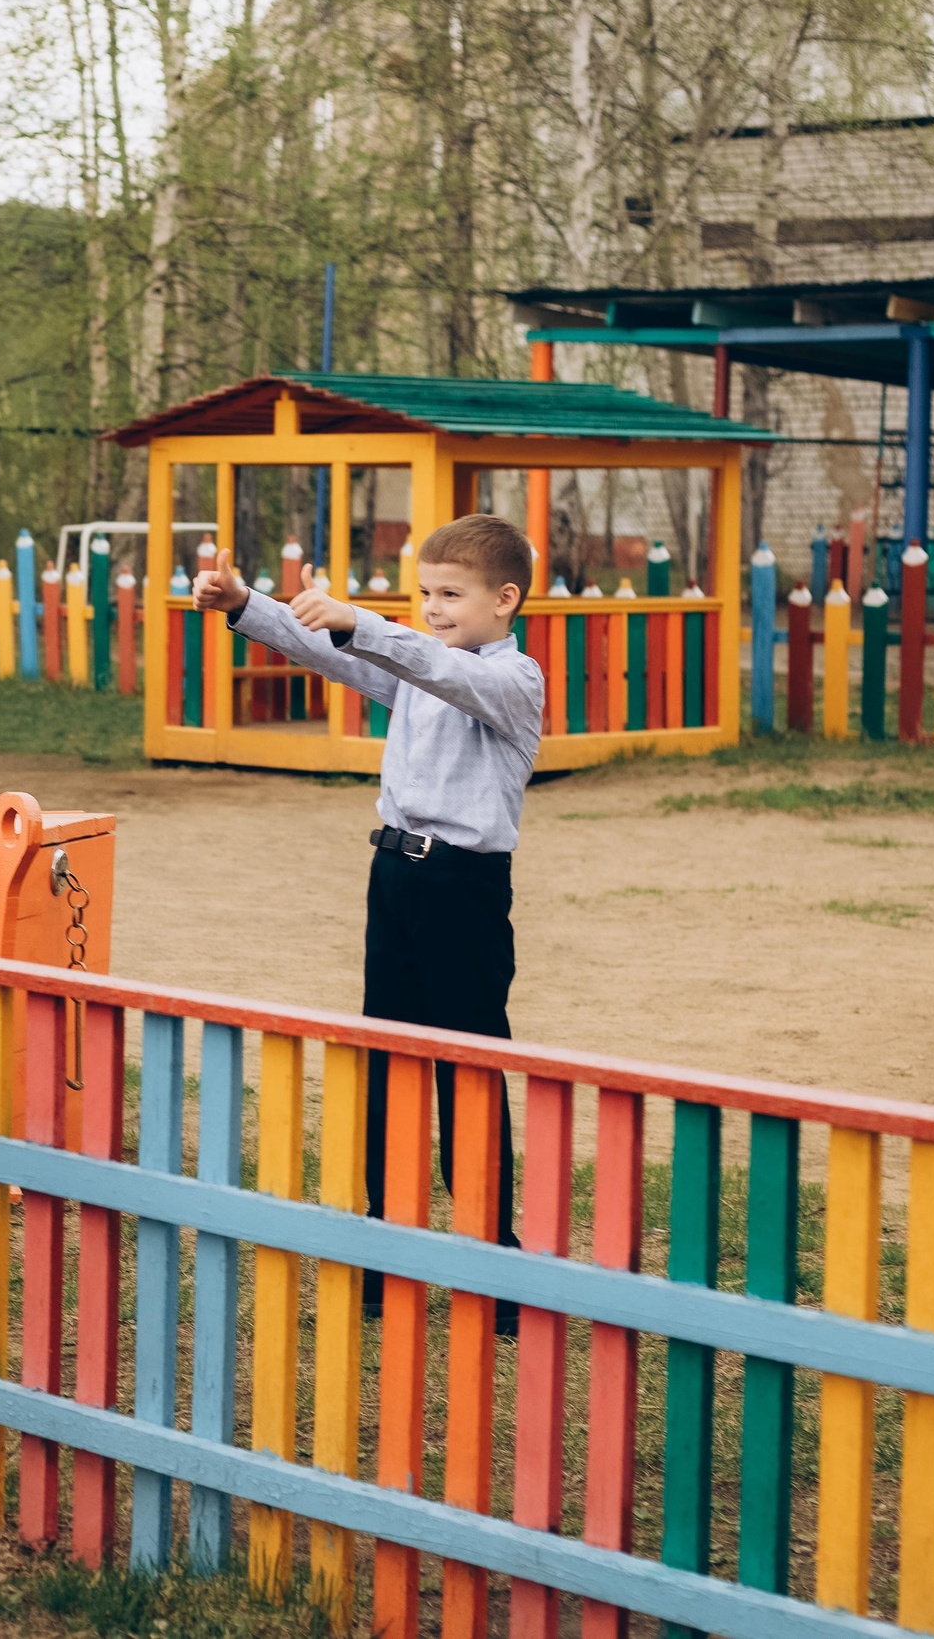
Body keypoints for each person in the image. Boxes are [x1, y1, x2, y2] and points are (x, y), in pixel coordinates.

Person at [194, 513, 542, 1329]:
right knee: (387, 1060)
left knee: (467, 1065)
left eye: (450, 594)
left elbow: (423, 660)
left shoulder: (512, 679)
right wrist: (247, 604)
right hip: (394, 875)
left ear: (506, 599)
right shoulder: (417, 663)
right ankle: (390, 1248)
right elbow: (334, 651)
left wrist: (367, 620)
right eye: (425, 594)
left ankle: (491, 1260)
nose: (434, 609)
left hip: (465, 888)